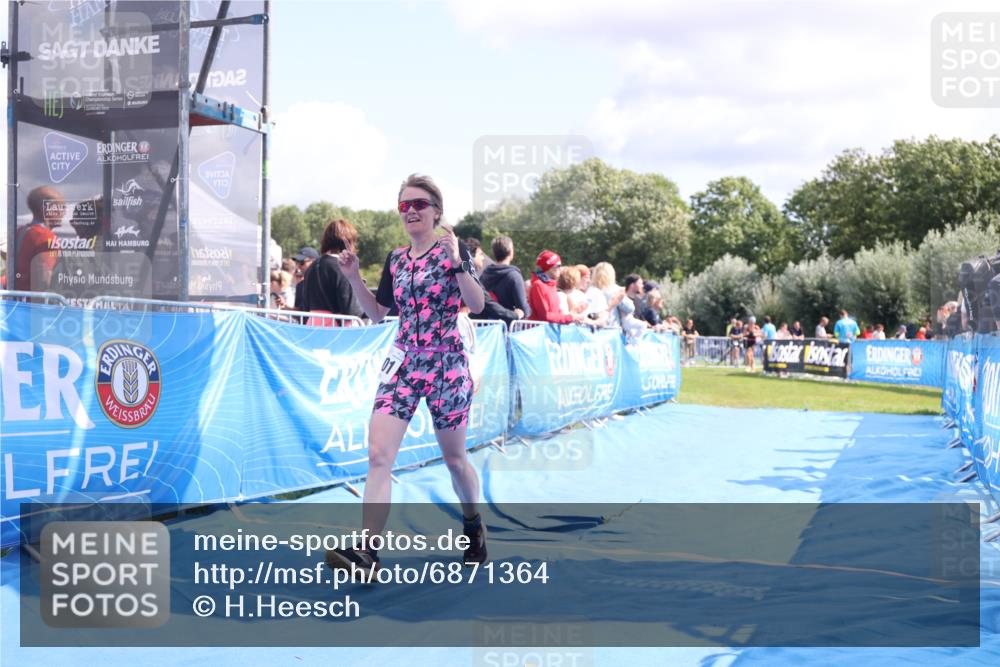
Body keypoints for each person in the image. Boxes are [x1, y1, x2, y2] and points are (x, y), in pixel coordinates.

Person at [330, 174, 487, 573]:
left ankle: (473, 524)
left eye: (419, 204)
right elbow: (379, 312)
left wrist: (459, 265)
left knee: (454, 460)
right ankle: (367, 550)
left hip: (446, 364)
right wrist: (352, 278)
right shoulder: (396, 259)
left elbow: (479, 305)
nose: (411, 211)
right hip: (403, 361)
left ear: (436, 211)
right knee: (378, 455)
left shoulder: (456, 250)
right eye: (404, 205)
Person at [297, 218, 363, 318]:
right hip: (338, 331)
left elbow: (305, 307)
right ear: (348, 242)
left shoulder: (311, 268)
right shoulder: (343, 267)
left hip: (314, 328)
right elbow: (351, 310)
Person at [15, 186, 64, 291]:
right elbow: (45, 281)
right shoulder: (46, 237)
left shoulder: (20, 231)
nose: (63, 213)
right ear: (47, 208)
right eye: (61, 207)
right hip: (36, 303)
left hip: (18, 300)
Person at [528, 250, 585, 325]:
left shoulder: (551, 285)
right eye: (558, 266)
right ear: (548, 267)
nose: (560, 269)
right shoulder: (538, 285)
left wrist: (573, 316)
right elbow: (545, 316)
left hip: (550, 332)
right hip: (539, 333)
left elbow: (557, 312)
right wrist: (570, 317)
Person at [481, 235, 530, 317]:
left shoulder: (484, 275)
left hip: (487, 327)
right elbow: (524, 309)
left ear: (494, 253)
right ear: (511, 252)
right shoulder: (514, 276)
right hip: (509, 326)